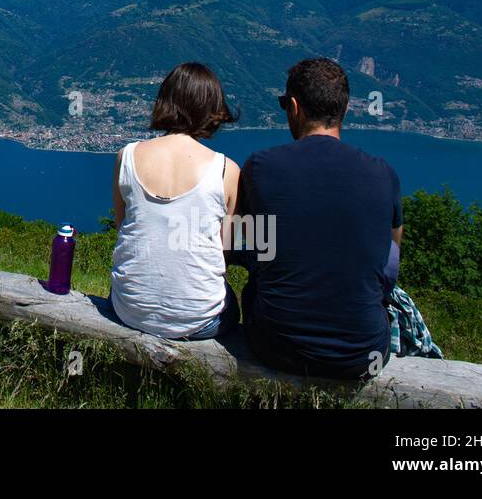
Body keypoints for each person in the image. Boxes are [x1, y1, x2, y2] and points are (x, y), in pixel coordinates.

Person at [234, 57, 411, 378]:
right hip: (362, 352)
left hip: (276, 345)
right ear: (344, 110)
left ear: (294, 107)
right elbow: (391, 260)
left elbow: (244, 238)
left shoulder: (261, 167)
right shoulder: (383, 173)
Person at [109, 62, 241, 340]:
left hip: (129, 308)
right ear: (212, 109)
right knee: (234, 305)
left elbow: (123, 231)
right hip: (198, 321)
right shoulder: (227, 171)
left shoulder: (127, 156)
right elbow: (223, 254)